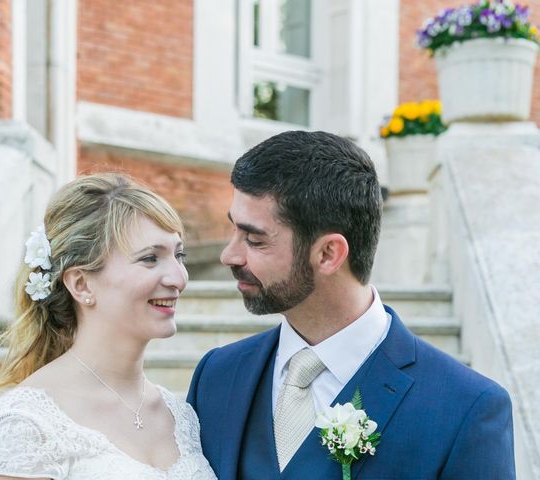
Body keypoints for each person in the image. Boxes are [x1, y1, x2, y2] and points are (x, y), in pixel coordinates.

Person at [187, 131, 515, 479]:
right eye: (234, 232)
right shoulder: (217, 375)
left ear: (329, 254)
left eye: (254, 239)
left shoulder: (465, 409)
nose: (229, 255)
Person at [0, 173, 217, 480]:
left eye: (178, 255)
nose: (178, 278)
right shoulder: (27, 423)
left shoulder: (181, 416)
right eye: (150, 258)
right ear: (81, 283)